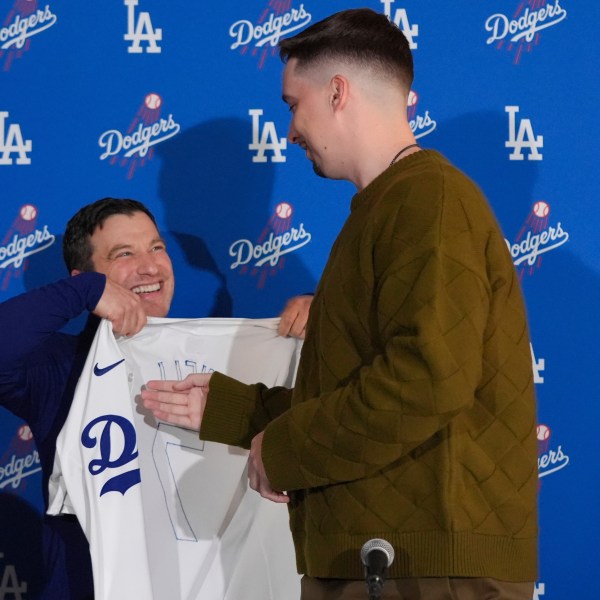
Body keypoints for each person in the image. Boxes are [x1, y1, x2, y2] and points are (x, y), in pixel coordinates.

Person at [142, 8, 538, 600]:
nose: (290, 130)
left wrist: (284, 449)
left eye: (291, 104)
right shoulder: (387, 208)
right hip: (387, 559)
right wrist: (236, 412)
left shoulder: (428, 200)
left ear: (337, 92)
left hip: (423, 570)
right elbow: (365, 391)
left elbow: (426, 381)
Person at [0, 197, 310, 599]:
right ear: (82, 277)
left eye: (156, 248)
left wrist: (320, 323)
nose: (150, 266)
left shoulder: (233, 354)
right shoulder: (57, 368)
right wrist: (85, 292)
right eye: (123, 254)